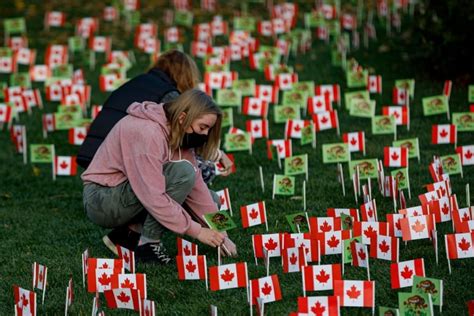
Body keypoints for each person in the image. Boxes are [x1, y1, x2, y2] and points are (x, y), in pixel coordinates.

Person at [82, 89, 237, 263]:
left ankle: (127, 236)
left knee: (212, 198)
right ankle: (148, 245)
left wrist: (223, 233)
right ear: (182, 118)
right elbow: (153, 196)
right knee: (182, 173)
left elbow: (198, 187)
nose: (205, 135)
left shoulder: (179, 132)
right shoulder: (147, 133)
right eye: (203, 127)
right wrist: (198, 231)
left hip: (127, 192)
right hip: (102, 199)